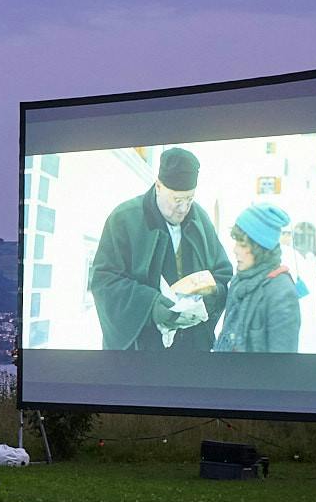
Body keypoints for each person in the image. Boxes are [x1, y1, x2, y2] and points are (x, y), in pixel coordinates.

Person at [87, 146, 233, 351]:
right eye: (177, 200)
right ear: (158, 186)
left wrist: (212, 294)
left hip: (192, 349)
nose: (183, 209)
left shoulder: (201, 220)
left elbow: (223, 273)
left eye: (189, 199)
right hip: (144, 351)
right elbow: (105, 281)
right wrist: (151, 306)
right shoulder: (124, 219)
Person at [214, 202, 305, 353]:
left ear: (260, 248)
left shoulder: (281, 293)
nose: (235, 250)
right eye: (236, 242)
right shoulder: (239, 281)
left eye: (242, 244)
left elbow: (283, 364)